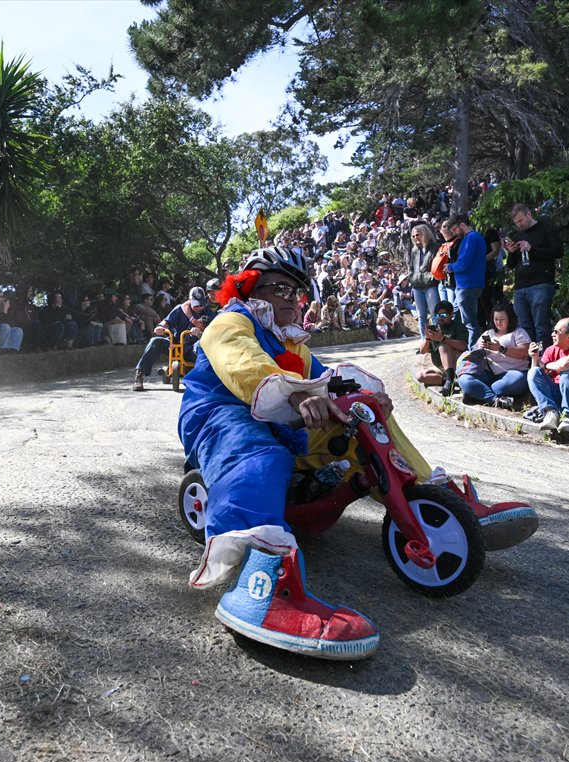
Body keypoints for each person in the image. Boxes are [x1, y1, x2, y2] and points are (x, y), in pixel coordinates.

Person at [178, 245, 442, 660]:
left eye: (297, 291)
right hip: (221, 411)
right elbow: (244, 365)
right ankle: (259, 590)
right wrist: (297, 394)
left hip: (280, 415)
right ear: (251, 289)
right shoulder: (230, 322)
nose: (292, 298)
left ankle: (424, 499)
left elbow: (328, 379)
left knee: (364, 418)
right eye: (279, 287)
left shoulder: (293, 343)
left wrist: (366, 396)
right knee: (261, 458)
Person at [504, 203, 564, 345]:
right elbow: (511, 265)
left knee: (541, 326)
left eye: (521, 220)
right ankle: (530, 356)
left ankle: (544, 356)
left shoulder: (545, 228)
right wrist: (511, 252)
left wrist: (532, 249)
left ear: (529, 214)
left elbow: (558, 251)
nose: (519, 224)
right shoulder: (517, 235)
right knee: (524, 329)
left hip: (541, 283)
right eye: (516, 222)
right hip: (520, 287)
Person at [525, 317, 569, 433]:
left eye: (556, 331)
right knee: (533, 372)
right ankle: (551, 413)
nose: (552, 334)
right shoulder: (550, 350)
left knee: (568, 371)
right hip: (560, 397)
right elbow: (538, 377)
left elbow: (565, 364)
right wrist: (534, 358)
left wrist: (546, 365)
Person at [132, 287, 209, 391]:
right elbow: (166, 322)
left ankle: (206, 378)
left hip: (193, 348)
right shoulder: (180, 309)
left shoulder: (207, 312)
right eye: (196, 305)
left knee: (203, 347)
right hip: (176, 345)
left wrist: (199, 333)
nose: (199, 307)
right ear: (190, 300)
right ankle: (139, 374)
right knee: (155, 341)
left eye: (201, 305)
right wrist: (160, 327)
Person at [457, 303, 532, 408]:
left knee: (506, 384)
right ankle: (494, 400)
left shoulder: (519, 332)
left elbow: (525, 352)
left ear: (510, 319)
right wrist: (480, 348)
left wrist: (501, 349)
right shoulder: (488, 333)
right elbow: (473, 353)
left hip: (512, 373)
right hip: (487, 373)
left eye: (502, 319)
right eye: (496, 319)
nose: (498, 323)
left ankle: (478, 393)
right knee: (464, 380)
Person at [444, 213, 487, 347]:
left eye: (455, 229)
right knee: (458, 318)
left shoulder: (471, 238)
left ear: (462, 225)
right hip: (468, 285)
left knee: (470, 324)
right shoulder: (475, 237)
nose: (455, 233)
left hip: (467, 286)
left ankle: (473, 353)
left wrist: (450, 267)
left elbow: (463, 264)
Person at [413, 300, 469, 396]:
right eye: (437, 315)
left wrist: (443, 339)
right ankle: (451, 381)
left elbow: (463, 346)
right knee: (420, 376)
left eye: (442, 315)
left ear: (451, 314)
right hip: (439, 367)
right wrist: (427, 338)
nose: (439, 318)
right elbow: (423, 351)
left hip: (456, 364)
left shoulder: (458, 326)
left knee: (443, 346)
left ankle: (449, 381)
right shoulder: (435, 329)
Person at [407, 222, 441, 337]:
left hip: (431, 286)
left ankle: (437, 339)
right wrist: (412, 278)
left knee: (435, 314)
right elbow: (411, 267)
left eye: (418, 234)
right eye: (413, 236)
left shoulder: (436, 248)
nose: (415, 237)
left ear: (425, 234)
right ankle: (424, 340)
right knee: (421, 315)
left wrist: (432, 277)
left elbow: (438, 266)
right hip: (417, 286)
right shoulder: (414, 250)